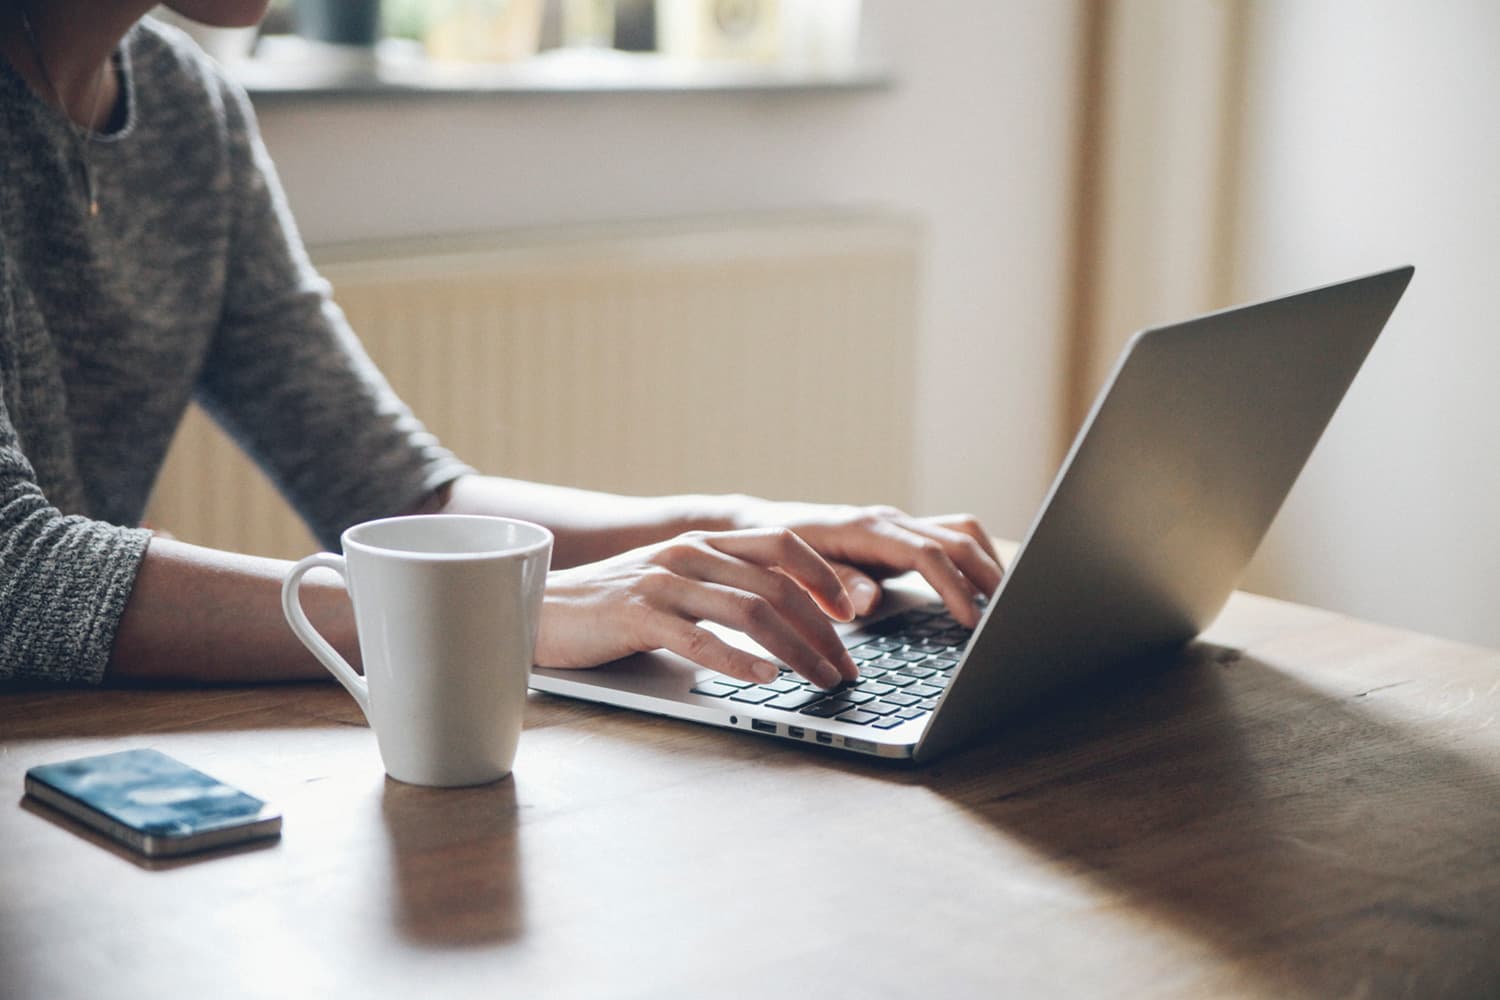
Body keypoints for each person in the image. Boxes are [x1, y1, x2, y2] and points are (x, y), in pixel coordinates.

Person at [0, 0, 1002, 692]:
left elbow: (396, 490)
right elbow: (16, 576)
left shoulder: (189, 112)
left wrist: (735, 524)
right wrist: (494, 610)